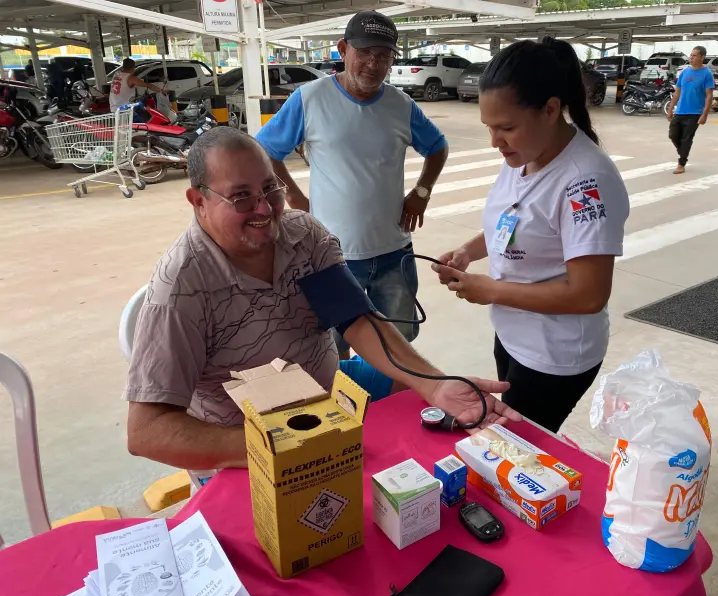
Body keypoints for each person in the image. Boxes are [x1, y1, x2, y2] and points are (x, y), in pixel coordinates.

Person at [124, 127, 520, 472]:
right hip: (242, 433)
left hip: (330, 388)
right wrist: (282, 446)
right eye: (241, 197)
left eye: (269, 188)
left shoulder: (301, 235)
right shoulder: (180, 290)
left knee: (432, 414)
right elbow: (148, 431)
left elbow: (356, 319)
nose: (264, 209)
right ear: (198, 200)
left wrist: (434, 386)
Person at [431, 39, 630, 433]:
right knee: (510, 438)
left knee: (517, 451)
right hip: (515, 335)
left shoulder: (585, 182)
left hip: (554, 355)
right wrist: (468, 251)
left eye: (506, 128)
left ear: (551, 110)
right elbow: (516, 219)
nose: (495, 141)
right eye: (489, 127)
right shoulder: (525, 153)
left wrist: (492, 291)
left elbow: (589, 294)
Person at [256, 11, 449, 361]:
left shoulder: (400, 105)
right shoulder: (310, 99)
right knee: (333, 346)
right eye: (365, 53)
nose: (373, 65)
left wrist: (422, 192)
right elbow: (266, 150)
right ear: (343, 49)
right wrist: (295, 195)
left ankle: (387, 408)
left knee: (399, 343)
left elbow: (437, 147)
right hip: (331, 256)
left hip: (394, 253)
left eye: (384, 57)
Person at [666, 46, 714, 175]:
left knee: (687, 138)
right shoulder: (685, 72)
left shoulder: (707, 74)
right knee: (673, 135)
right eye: (690, 55)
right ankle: (683, 153)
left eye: (694, 55)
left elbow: (709, 95)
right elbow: (677, 92)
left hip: (695, 113)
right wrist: (670, 109)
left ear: (702, 57)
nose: (691, 58)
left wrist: (705, 114)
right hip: (680, 111)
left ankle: (681, 163)